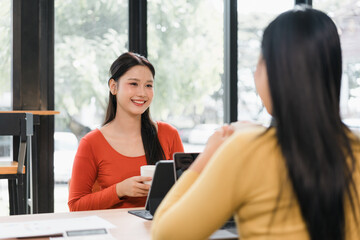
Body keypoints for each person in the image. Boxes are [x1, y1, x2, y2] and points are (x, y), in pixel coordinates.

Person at [151, 6, 360, 240]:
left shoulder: (245, 150)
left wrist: (210, 153)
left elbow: (166, 234)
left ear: (272, 71)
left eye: (260, 62)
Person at [68, 52, 184, 211]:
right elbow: (76, 206)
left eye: (148, 85)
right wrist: (119, 190)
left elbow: (185, 191)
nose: (142, 93)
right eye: (134, 84)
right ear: (113, 87)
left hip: (160, 230)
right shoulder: (91, 143)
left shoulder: (169, 134)